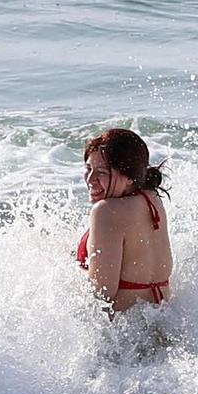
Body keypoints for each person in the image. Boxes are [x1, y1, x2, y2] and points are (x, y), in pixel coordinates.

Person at [77, 128, 172, 314]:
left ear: (129, 177)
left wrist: (61, 272)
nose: (90, 179)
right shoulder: (151, 197)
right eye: (88, 169)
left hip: (125, 335)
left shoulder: (106, 211)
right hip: (164, 320)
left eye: (102, 172)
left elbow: (102, 294)